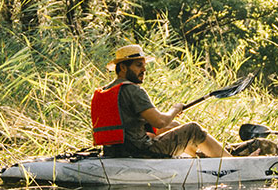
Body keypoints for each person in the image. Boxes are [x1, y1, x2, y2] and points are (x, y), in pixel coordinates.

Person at [91, 44, 226, 159]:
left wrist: (171, 118)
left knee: (174, 125)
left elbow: (133, 122)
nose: (144, 70)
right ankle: (230, 161)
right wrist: (175, 109)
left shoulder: (105, 91)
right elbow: (160, 121)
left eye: (144, 66)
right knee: (193, 129)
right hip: (141, 151)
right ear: (123, 68)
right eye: (139, 65)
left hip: (114, 152)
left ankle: (198, 158)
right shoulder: (132, 90)